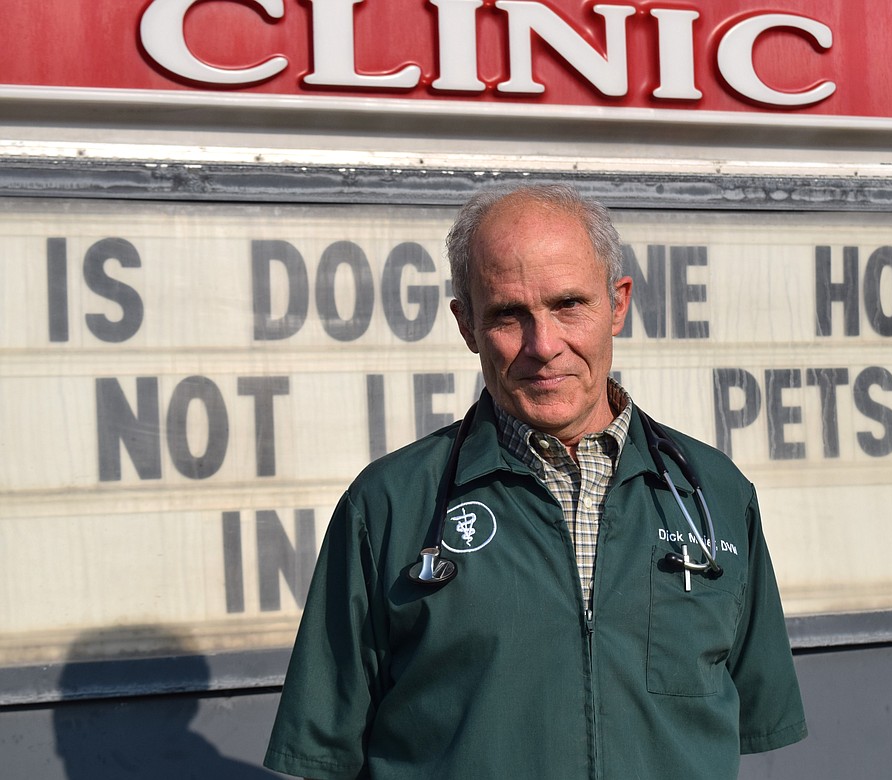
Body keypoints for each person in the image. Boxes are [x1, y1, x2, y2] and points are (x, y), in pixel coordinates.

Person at [264, 184, 806, 779]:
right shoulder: (388, 506)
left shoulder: (717, 496)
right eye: (507, 314)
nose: (544, 346)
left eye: (569, 304)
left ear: (618, 304)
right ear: (466, 324)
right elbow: (323, 754)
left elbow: (746, 715)